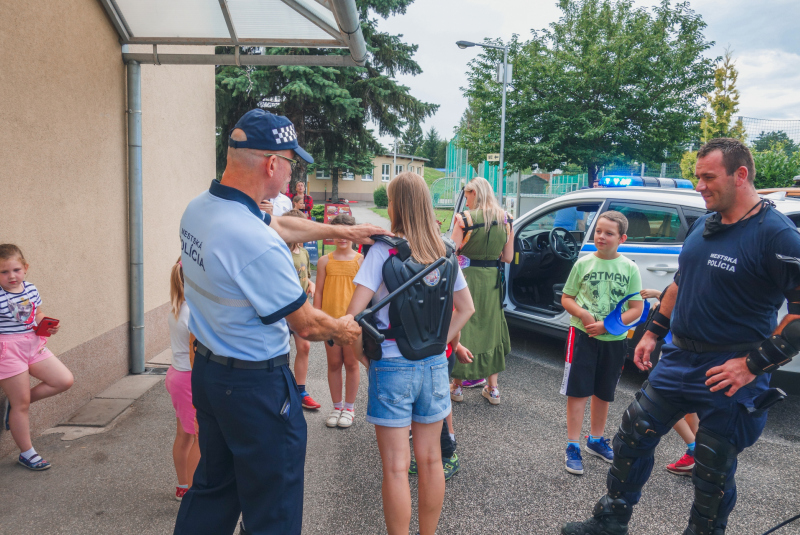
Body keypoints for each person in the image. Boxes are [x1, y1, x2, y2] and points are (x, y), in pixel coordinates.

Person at [561, 138, 800, 535]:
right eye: (697, 177)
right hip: (677, 359)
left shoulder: (776, 235)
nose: (699, 186)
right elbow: (680, 282)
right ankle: (609, 522)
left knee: (712, 466)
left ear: (740, 175)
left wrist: (751, 366)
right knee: (632, 437)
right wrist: (653, 333)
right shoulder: (705, 225)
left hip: (729, 369)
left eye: (708, 177)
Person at [173, 109, 388, 535]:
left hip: (212, 374)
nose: (291, 174)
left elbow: (280, 224)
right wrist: (349, 328)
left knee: (215, 489)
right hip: (255, 391)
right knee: (273, 507)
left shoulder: (202, 208)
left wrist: (343, 233)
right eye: (291, 163)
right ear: (272, 164)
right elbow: (306, 324)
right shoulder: (251, 242)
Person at [347, 171, 475, 535]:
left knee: (395, 467)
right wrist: (440, 344)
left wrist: (367, 360)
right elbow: (466, 308)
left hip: (391, 362)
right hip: (434, 365)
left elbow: (352, 318)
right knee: (433, 459)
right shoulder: (446, 251)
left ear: (395, 205)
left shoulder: (382, 252)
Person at [559, 211, 644, 475]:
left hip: (614, 340)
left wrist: (607, 325)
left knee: (604, 392)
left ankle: (595, 440)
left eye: (609, 233)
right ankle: (573, 445)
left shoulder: (629, 268)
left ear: (622, 238)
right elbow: (567, 298)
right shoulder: (583, 264)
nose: (601, 237)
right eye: (598, 231)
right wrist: (583, 314)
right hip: (581, 336)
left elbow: (636, 309)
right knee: (578, 391)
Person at [0, 244, 73, 471]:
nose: (12, 276)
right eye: (4, 272)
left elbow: (37, 313)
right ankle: (27, 453)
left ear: (25, 268)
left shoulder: (30, 288)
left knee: (64, 380)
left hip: (33, 343)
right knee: (22, 406)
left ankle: (14, 404)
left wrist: (46, 324)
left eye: (16, 270)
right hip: (7, 351)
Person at [450, 177, 513, 404]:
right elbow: (507, 257)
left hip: (465, 279)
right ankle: (492, 388)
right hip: (492, 280)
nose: (466, 203)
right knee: (490, 328)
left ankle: (457, 387)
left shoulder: (464, 219)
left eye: (467, 197)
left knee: (463, 325)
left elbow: (450, 253)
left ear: (474, 193)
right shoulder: (506, 219)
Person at [640, 287, 699, 476]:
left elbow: (684, 302)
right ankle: (700, 458)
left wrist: (659, 296)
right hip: (697, 353)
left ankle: (694, 450)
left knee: (664, 404)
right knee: (690, 406)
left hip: (678, 350)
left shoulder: (695, 265)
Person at [313, 214, 362, 427]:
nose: (342, 238)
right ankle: (336, 406)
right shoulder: (325, 261)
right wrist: (316, 317)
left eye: (346, 232)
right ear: (331, 235)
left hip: (352, 324)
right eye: (337, 232)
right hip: (330, 323)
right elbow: (319, 292)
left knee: (351, 363)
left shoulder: (361, 260)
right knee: (334, 363)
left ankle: (349, 408)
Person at [410, 339, 473, 481]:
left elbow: (452, 323)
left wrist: (457, 346)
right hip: (420, 356)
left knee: (434, 408)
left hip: (438, 357)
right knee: (424, 407)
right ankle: (429, 455)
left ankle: (448, 455)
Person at [165, 258, 201, 500]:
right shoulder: (194, 315)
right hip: (190, 379)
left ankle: (183, 485)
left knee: (184, 434)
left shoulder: (177, 308)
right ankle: (194, 490)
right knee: (202, 436)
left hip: (177, 375)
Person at [282, 209, 320, 410]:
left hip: (302, 308)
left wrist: (311, 285)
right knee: (282, 350)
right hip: (283, 310)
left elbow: (306, 276)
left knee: (304, 347)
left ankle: (301, 390)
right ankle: (283, 391)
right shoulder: (280, 251)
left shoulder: (304, 252)